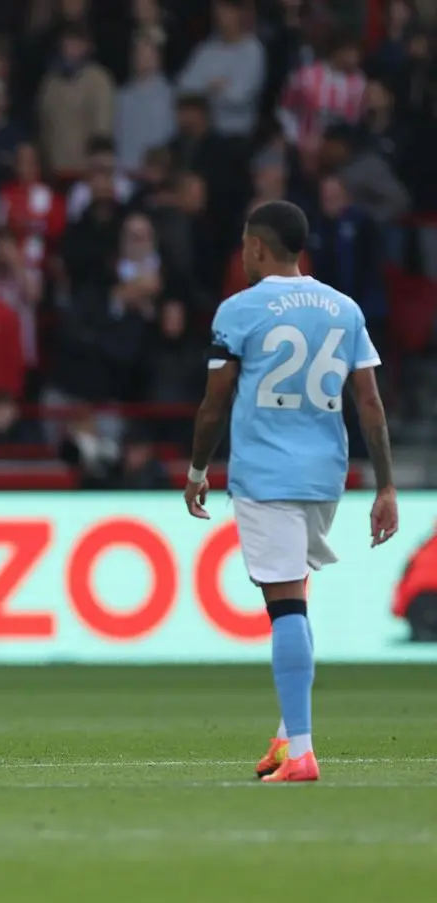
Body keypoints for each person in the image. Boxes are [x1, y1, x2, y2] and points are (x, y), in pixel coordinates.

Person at [184, 199, 398, 784]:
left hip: (266, 473)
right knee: (295, 594)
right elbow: (371, 404)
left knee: (285, 606)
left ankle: (302, 751)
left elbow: (214, 403)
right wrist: (385, 485)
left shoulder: (239, 309)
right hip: (326, 473)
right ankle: (285, 736)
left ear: (256, 246)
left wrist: (198, 470)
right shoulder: (343, 308)